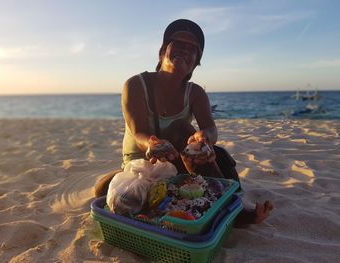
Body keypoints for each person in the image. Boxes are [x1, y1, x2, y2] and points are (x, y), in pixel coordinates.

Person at [95, 19, 273, 225]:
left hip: (177, 165)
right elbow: (139, 133)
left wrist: (204, 136)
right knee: (103, 191)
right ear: (162, 51)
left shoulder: (195, 93)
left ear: (196, 62)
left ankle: (234, 210)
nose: (185, 51)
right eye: (178, 44)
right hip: (141, 164)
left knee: (186, 131)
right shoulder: (136, 85)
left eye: (192, 49)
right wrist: (152, 144)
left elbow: (211, 129)